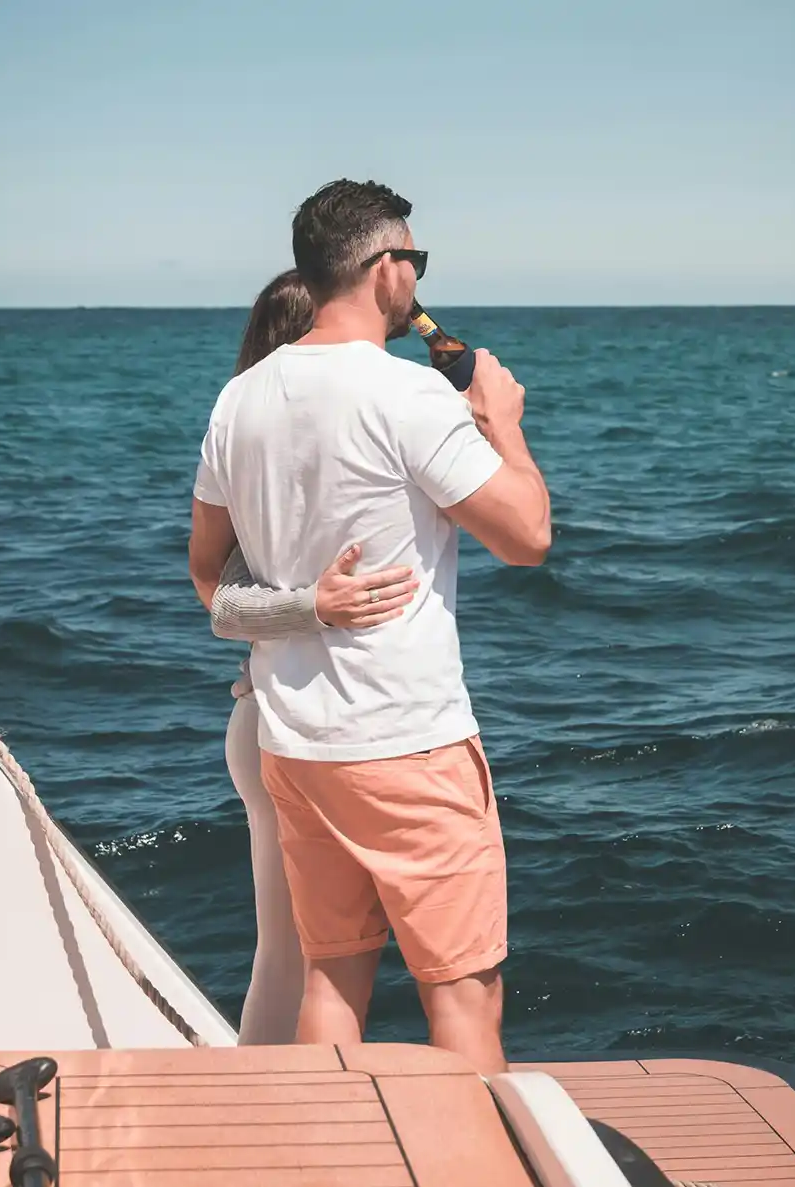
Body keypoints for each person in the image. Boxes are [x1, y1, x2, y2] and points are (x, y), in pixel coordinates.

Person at [188, 179, 551, 1075]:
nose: (417, 281)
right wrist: (504, 427)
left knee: (330, 981)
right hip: (406, 743)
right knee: (464, 995)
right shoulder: (408, 396)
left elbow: (207, 569)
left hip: (297, 744)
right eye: (415, 262)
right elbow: (528, 535)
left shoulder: (240, 399)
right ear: (388, 270)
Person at [214, 267, 419, 1045]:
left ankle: (267, 1123)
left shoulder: (267, 454)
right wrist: (315, 606)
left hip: (272, 721)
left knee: (296, 955)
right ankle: (281, 1128)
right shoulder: (263, 464)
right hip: (282, 722)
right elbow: (225, 606)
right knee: (303, 957)